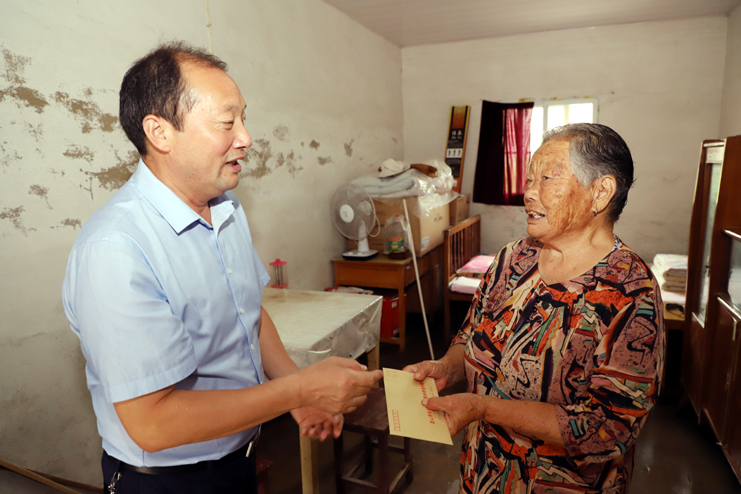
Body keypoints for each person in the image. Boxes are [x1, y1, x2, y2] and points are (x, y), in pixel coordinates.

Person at [62, 42, 382, 494]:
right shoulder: (115, 249)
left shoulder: (226, 207)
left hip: (238, 457)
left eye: (244, 119)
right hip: (169, 482)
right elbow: (152, 423)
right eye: (227, 122)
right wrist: (301, 390)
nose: (246, 138)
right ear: (160, 132)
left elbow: (249, 314)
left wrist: (296, 393)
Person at [405, 123, 665, 494]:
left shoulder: (631, 292)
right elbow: (472, 334)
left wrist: (484, 407)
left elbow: (607, 429)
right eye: (529, 179)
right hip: (482, 474)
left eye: (547, 178)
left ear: (600, 192)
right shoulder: (512, 259)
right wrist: (446, 366)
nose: (529, 193)